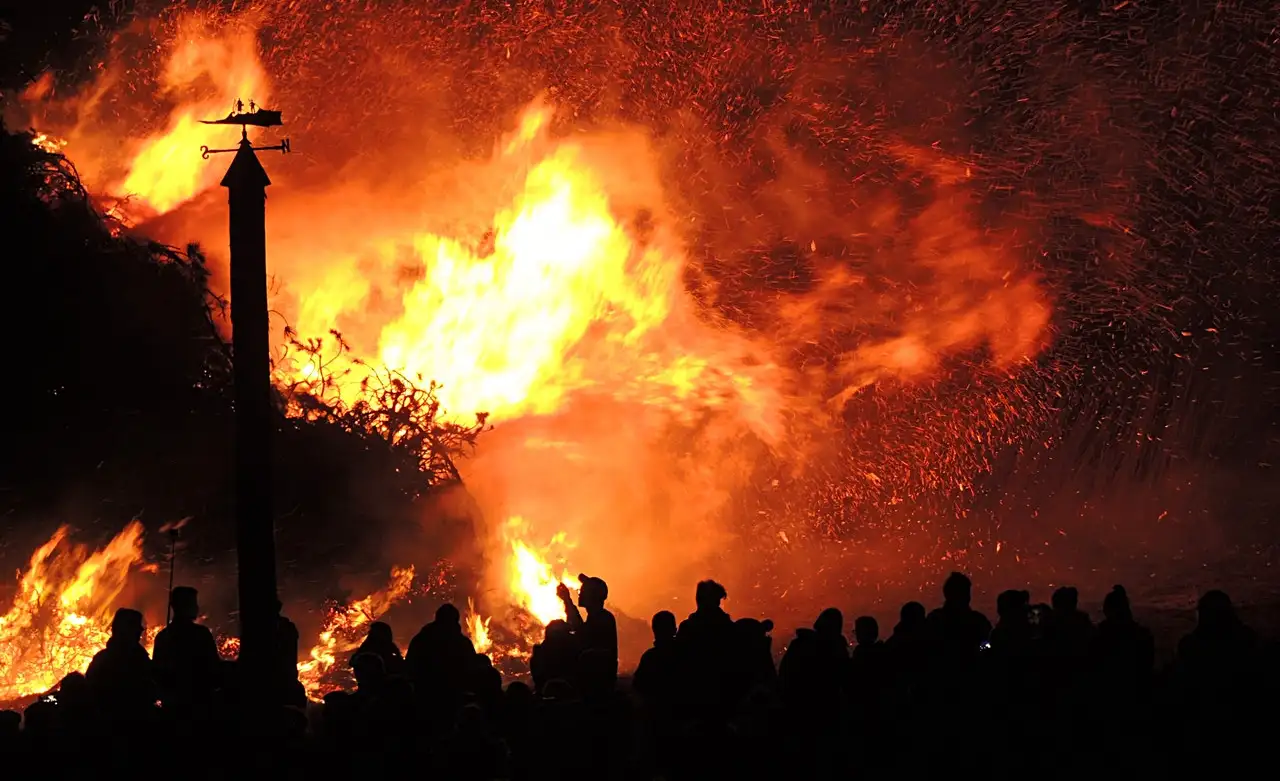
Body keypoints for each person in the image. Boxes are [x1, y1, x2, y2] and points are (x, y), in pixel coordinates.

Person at [152, 586, 221, 710]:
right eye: (192, 603)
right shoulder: (201, 634)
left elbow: (157, 673)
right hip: (199, 702)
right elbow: (213, 667)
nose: (196, 607)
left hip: (172, 704)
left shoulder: (163, 636)